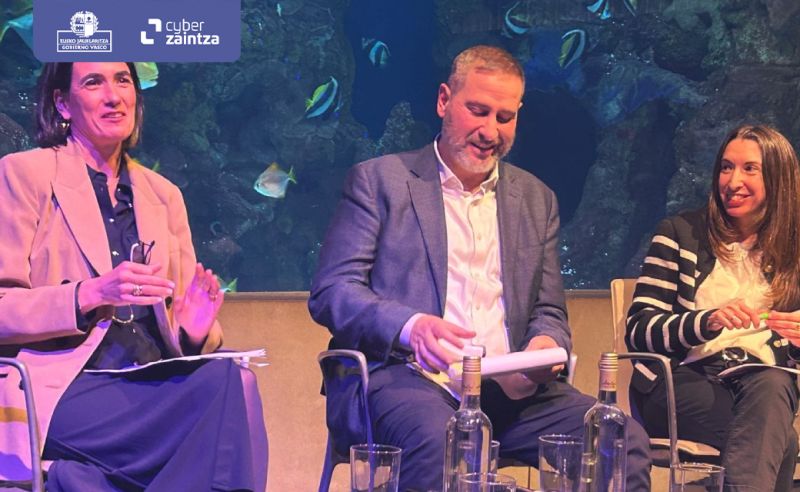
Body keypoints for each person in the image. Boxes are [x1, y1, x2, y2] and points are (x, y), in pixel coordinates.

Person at [309, 45, 651, 491]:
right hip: (408, 378)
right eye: (478, 111)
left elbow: (549, 310)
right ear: (443, 101)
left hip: (511, 392)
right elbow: (333, 291)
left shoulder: (536, 199)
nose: (491, 130)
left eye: (504, 117)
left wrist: (545, 346)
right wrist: (412, 327)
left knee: (623, 440)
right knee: (441, 440)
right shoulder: (379, 182)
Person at [0, 62, 267, 491]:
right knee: (225, 404)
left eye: (123, 80)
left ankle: (79, 479)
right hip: (61, 387)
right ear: (63, 104)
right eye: (93, 82)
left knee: (231, 377)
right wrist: (87, 295)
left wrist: (194, 331)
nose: (114, 96)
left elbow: (178, 321)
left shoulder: (164, 195)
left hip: (146, 378)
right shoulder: (24, 174)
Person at [627, 124, 800, 491]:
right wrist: (706, 321)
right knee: (780, 440)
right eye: (726, 167)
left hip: (761, 384)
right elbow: (640, 329)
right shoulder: (680, 232)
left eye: (749, 169)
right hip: (680, 382)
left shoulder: (793, 252)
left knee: (774, 387)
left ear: (779, 178)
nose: (733, 180)